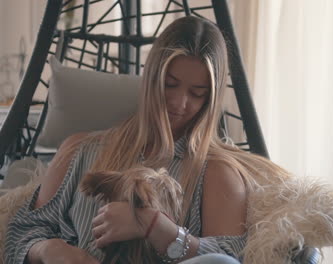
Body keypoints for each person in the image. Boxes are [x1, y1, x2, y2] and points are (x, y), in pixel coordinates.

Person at [3, 16, 292, 264]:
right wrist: (50, 249)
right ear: (151, 76)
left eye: (198, 93)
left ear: (212, 98)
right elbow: (21, 232)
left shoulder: (217, 172)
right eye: (170, 85)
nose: (180, 103)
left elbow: (228, 258)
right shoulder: (80, 150)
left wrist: (155, 227)